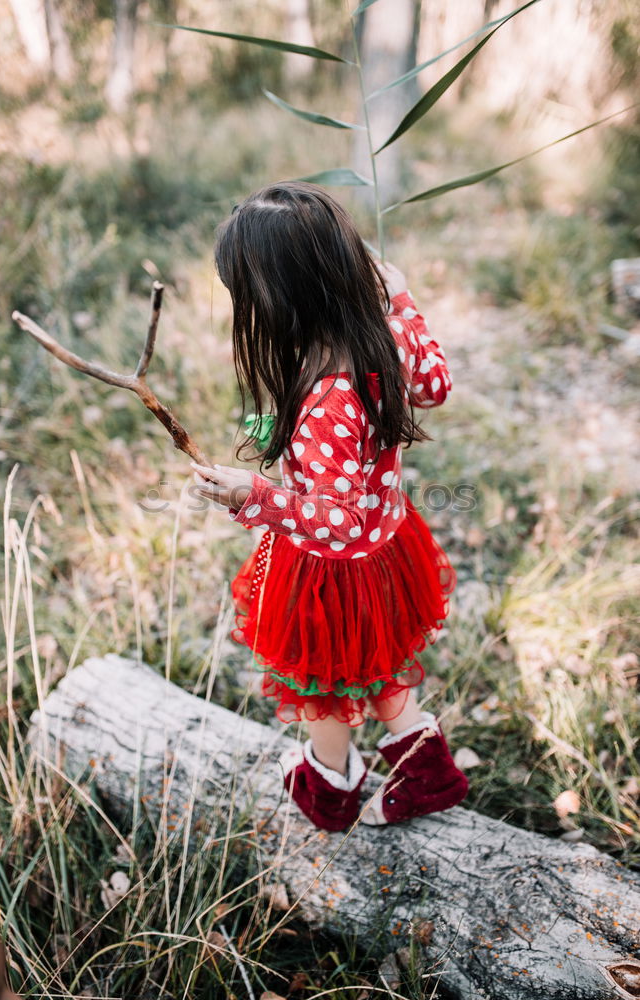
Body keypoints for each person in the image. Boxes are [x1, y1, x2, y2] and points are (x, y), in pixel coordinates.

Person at [192, 181, 468, 831]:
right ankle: (424, 769)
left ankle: (330, 786)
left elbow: (332, 518)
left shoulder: (327, 391)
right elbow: (435, 385)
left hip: (330, 568)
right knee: (377, 661)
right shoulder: (376, 334)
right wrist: (400, 299)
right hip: (386, 546)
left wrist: (252, 495)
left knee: (320, 682)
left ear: (283, 295)